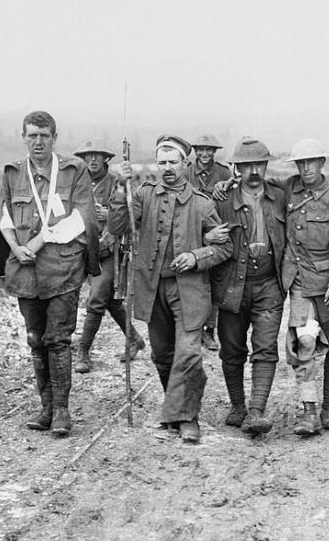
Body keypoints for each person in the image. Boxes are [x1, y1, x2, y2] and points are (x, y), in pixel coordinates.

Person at [109, 135, 232, 443]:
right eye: (161, 162)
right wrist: (120, 188)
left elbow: (225, 247)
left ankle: (188, 418)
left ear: (185, 164)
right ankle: (175, 409)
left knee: (188, 354)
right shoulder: (143, 195)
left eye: (173, 162)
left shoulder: (202, 204)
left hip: (189, 291)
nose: (167, 168)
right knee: (163, 355)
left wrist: (196, 256)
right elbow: (117, 227)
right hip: (152, 289)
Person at [0, 111, 98, 437]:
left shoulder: (73, 170)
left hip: (62, 268)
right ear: (23, 137)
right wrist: (15, 247)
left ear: (54, 138)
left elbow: (82, 218)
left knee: (58, 339)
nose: (38, 142)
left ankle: (62, 411)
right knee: (35, 338)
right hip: (25, 269)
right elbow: (4, 216)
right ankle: (46, 408)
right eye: (32, 135)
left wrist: (39, 241)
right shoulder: (13, 172)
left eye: (44, 136)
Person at [281, 138, 329, 435]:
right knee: (304, 342)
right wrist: (227, 183)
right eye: (301, 163)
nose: (306, 168)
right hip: (299, 282)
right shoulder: (288, 190)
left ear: (322, 163)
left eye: (311, 162)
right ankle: (309, 412)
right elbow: (257, 188)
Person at [211, 137, 286, 436]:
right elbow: (203, 229)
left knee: (266, 348)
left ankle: (256, 411)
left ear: (266, 166)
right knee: (231, 349)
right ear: (237, 169)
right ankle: (237, 406)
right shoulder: (221, 200)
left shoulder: (280, 196)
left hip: (269, 284)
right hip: (232, 285)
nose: (254, 171)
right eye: (246, 166)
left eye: (259, 165)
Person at [72, 140, 146, 374]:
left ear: (106, 159)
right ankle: (134, 338)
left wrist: (110, 213)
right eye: (89, 156)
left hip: (109, 249)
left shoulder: (116, 182)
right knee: (109, 300)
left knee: (96, 298)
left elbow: (130, 215)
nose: (93, 160)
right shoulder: (77, 182)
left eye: (98, 155)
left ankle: (83, 352)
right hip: (82, 246)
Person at [185, 134, 232, 351]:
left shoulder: (224, 173)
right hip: (192, 231)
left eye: (210, 150)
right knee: (194, 283)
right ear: (195, 151)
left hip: (217, 231)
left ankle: (209, 330)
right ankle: (192, 329)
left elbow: (233, 197)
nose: (205, 154)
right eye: (201, 149)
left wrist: (228, 185)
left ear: (215, 152)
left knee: (216, 282)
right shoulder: (185, 173)